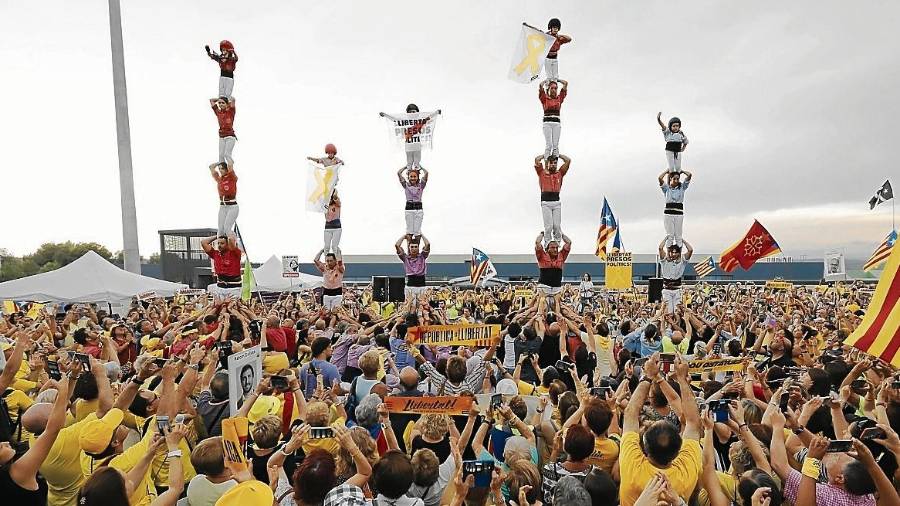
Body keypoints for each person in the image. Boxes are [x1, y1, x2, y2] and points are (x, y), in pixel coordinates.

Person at [380, 104, 441, 170]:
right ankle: (409, 176)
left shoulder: (420, 121)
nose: (412, 113)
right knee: (409, 163)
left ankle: (417, 176)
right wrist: (385, 115)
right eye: (410, 112)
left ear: (417, 112)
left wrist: (436, 112)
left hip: (417, 145)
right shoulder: (403, 121)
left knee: (417, 164)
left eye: (414, 111)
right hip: (408, 146)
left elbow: (429, 117)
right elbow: (394, 119)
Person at [534, 153, 571, 244]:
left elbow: (568, 160)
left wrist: (558, 155)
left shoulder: (560, 173)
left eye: (555, 163)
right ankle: (547, 242)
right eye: (551, 163)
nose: (553, 165)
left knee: (557, 226)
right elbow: (536, 159)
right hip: (546, 202)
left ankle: (557, 242)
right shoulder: (542, 172)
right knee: (549, 226)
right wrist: (545, 155)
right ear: (548, 164)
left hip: (556, 202)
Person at [657, 169, 692, 248]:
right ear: (670, 179)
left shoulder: (682, 188)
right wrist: (666, 172)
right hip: (668, 214)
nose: (676, 180)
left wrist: (682, 171)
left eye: (678, 179)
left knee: (678, 236)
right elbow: (659, 178)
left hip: (679, 214)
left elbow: (689, 175)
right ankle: (669, 254)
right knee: (670, 235)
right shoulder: (667, 188)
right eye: (674, 179)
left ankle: (678, 255)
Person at [657, 239, 693, 314]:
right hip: (667, 290)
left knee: (677, 312)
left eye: (675, 252)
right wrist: (667, 238)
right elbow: (660, 248)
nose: (673, 254)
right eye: (672, 252)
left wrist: (681, 240)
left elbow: (690, 250)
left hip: (677, 290)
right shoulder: (664, 261)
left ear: (678, 253)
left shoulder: (682, 260)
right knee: (669, 311)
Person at [534, 232, 572, 296]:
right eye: (552, 247)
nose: (555, 249)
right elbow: (537, 242)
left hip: (557, 287)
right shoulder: (542, 255)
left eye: (556, 248)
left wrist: (560, 233)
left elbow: (569, 242)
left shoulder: (561, 255)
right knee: (542, 304)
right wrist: (542, 234)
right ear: (547, 249)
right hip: (544, 287)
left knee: (557, 305)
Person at [539, 79, 568, 159]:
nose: (554, 90)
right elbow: (540, 86)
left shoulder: (559, 98)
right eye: (552, 88)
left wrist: (556, 79)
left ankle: (554, 164)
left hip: (556, 124)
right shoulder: (545, 99)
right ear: (549, 89)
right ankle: (546, 165)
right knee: (549, 145)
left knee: (555, 145)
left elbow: (565, 83)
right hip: (547, 123)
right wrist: (547, 80)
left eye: (555, 88)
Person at [396, 234, 430, 301]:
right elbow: (397, 245)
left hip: (422, 286)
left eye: (415, 247)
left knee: (422, 308)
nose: (414, 249)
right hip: (410, 287)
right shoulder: (405, 258)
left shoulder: (422, 256)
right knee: (410, 308)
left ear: (418, 248)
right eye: (412, 247)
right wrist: (404, 236)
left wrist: (421, 234)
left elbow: (428, 244)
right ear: (409, 248)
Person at [210, 162, 239, 241]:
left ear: (226, 169)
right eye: (219, 169)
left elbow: (230, 165)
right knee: (220, 230)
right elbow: (211, 167)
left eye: (222, 168)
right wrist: (219, 162)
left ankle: (235, 243)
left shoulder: (232, 178)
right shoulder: (219, 179)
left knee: (227, 228)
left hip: (232, 206)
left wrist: (226, 161)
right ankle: (221, 250)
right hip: (223, 206)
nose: (220, 170)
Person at [398, 167, 428, 240]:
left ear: (417, 177)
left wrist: (420, 167)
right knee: (409, 231)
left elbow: (426, 173)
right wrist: (407, 166)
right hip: (409, 209)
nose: (413, 178)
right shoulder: (406, 185)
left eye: (415, 176)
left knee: (417, 231)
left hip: (418, 209)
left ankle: (416, 248)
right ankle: (409, 249)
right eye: (411, 176)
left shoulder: (421, 185)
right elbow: (399, 173)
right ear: (408, 177)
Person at [210, 97, 236, 168]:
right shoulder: (218, 112)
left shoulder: (231, 111)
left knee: (227, 154)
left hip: (230, 137)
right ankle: (223, 171)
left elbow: (233, 100)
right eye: (219, 103)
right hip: (221, 136)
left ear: (227, 104)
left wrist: (226, 99)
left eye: (223, 103)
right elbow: (211, 100)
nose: (221, 104)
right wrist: (219, 99)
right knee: (221, 155)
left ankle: (231, 169)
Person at [322, 190, 342, 255]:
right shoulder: (326, 205)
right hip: (328, 228)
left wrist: (333, 190)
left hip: (337, 228)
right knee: (327, 246)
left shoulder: (337, 204)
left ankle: (337, 261)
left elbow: (335, 196)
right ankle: (327, 261)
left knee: (334, 246)